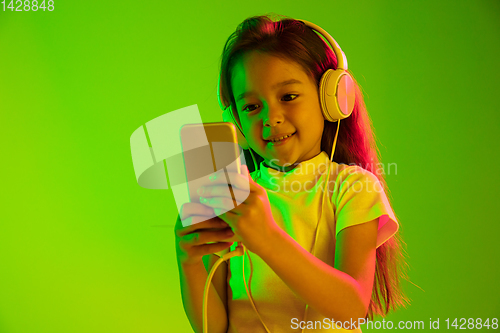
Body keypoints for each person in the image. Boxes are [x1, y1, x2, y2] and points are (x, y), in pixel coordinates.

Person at [174, 14, 408, 333]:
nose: (271, 118)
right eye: (252, 107)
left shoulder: (353, 187)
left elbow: (352, 307)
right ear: (235, 120)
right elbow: (213, 328)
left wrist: (267, 237)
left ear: (333, 98)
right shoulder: (235, 196)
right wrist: (188, 261)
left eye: (288, 97)